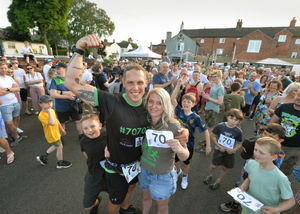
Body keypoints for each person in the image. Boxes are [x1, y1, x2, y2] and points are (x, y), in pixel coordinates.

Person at [64, 34, 188, 214]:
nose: (135, 88)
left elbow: (170, 121)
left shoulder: (151, 106)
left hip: (140, 164)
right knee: (115, 199)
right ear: (123, 82)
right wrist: (79, 48)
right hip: (116, 166)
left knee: (130, 189)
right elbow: (71, 82)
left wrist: (183, 131)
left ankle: (125, 208)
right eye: (130, 83)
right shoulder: (110, 101)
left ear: (146, 83)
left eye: (139, 83)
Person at [139, 88, 189, 214]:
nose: (154, 106)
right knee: (145, 198)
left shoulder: (173, 125)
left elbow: (185, 156)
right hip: (144, 169)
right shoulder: (144, 120)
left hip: (162, 175)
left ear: (165, 104)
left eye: (159, 103)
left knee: (162, 208)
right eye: (151, 101)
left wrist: (179, 148)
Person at [220, 123, 287, 212]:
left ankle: (235, 205)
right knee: (242, 183)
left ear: (280, 140)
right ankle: (238, 194)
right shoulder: (258, 143)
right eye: (265, 134)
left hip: (257, 179)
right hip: (247, 170)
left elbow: (270, 168)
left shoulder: (279, 155)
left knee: (249, 193)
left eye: (271, 137)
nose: (265, 138)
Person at [171, 77, 210, 190]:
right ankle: (177, 172)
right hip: (177, 141)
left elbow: (206, 131)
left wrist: (208, 145)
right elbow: (172, 98)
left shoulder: (196, 117)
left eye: (189, 102)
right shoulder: (178, 111)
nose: (186, 103)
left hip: (189, 144)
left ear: (193, 104)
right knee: (176, 160)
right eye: (184, 101)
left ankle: (184, 176)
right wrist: (178, 85)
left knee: (186, 163)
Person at [239, 137, 295, 214]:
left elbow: (290, 201)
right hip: (248, 209)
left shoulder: (281, 178)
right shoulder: (251, 163)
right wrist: (243, 187)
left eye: (261, 153)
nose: (256, 154)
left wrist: (276, 210)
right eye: (255, 150)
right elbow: (249, 178)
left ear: (274, 157)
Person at [203, 108, 243, 190]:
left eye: (236, 120)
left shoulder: (238, 131)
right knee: (214, 165)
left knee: (225, 167)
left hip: (230, 153)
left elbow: (239, 143)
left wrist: (234, 149)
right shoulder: (220, 126)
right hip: (219, 150)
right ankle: (210, 175)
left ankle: (219, 180)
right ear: (227, 117)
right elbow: (213, 135)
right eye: (231, 118)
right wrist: (219, 145)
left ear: (239, 122)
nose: (232, 121)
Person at [80, 114, 107, 214]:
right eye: (85, 128)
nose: (89, 131)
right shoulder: (83, 140)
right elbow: (86, 155)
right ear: (82, 130)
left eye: (92, 126)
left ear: (100, 125)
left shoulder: (108, 136)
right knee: (88, 206)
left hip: (110, 173)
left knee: (117, 198)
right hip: (94, 173)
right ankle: (96, 202)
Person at [270, 87, 300, 176]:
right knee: (267, 166)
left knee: (282, 172)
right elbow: (272, 124)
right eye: (299, 95)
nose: (299, 98)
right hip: (276, 143)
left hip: (293, 149)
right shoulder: (284, 107)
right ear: (295, 95)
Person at [36, 95, 71, 168]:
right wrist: (48, 112)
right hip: (51, 135)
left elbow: (56, 120)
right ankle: (60, 163)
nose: (49, 104)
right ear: (40, 104)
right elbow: (52, 123)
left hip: (56, 133)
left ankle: (43, 157)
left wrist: (62, 129)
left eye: (50, 102)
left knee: (56, 145)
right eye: (47, 103)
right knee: (59, 147)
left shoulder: (51, 110)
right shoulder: (41, 115)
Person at [49, 63, 82, 134]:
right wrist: (67, 95)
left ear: (65, 69)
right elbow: (52, 94)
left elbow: (77, 91)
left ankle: (82, 137)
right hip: (61, 107)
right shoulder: (55, 80)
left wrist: (60, 92)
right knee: (62, 123)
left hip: (74, 105)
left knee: (79, 121)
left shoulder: (73, 78)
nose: (56, 71)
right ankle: (60, 139)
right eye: (56, 69)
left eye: (58, 69)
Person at [0, 63, 23, 146]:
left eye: (5, 68)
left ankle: (13, 133)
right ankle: (16, 136)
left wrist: (6, 89)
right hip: (5, 105)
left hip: (15, 102)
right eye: (1, 68)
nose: (3, 70)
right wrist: (11, 90)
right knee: (9, 123)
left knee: (16, 118)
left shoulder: (9, 78)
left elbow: (18, 89)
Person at [201, 70, 225, 135]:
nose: (213, 78)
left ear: (220, 77)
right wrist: (205, 94)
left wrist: (208, 98)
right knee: (207, 126)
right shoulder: (214, 84)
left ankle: (208, 143)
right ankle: (206, 141)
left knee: (210, 128)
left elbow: (220, 102)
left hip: (213, 109)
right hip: (208, 107)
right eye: (212, 76)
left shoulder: (220, 88)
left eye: (215, 76)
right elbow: (212, 95)